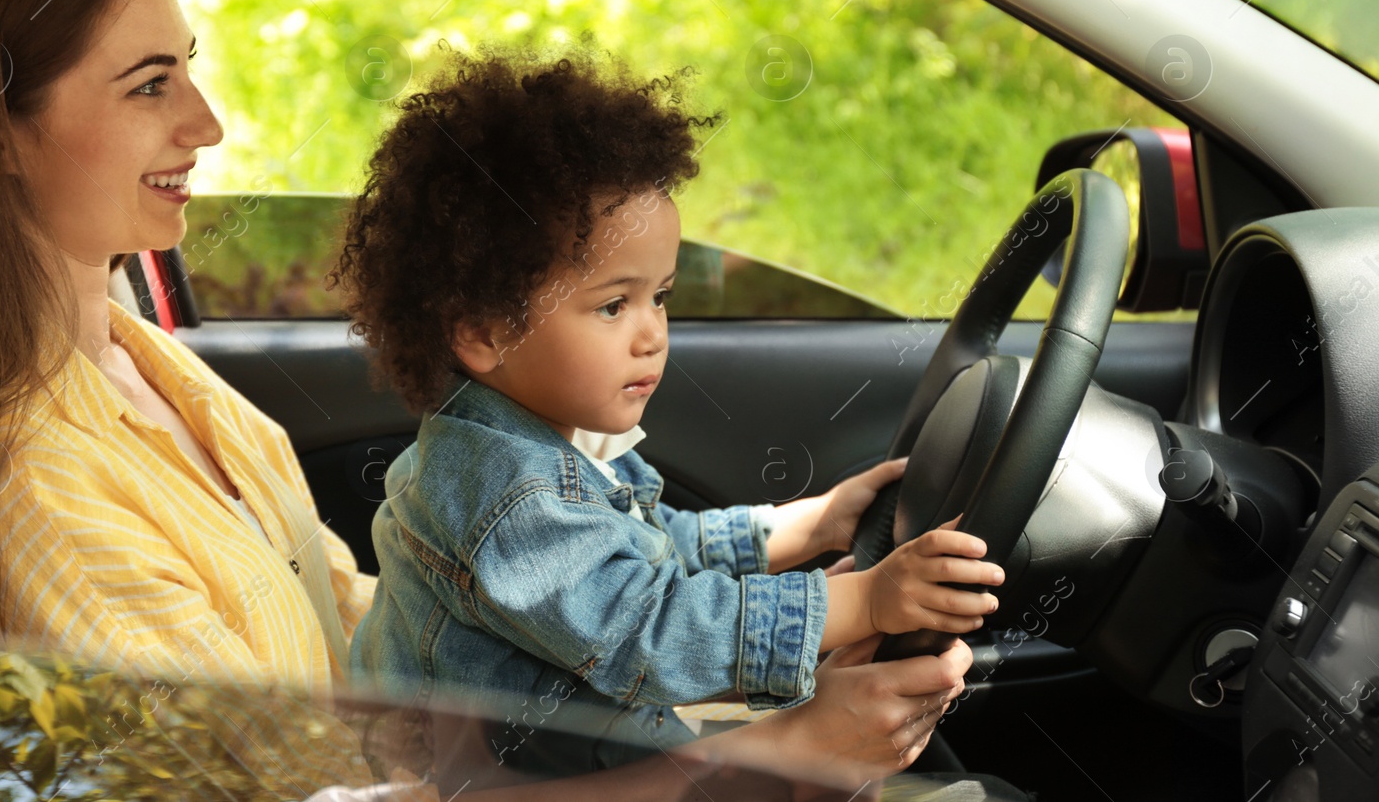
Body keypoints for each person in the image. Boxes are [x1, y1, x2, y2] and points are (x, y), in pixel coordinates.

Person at [0, 0, 1015, 800]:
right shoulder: (36, 490)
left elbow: (382, 625)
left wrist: (746, 614)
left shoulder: (136, 354)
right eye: (147, 85)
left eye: (194, 73)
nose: (208, 123)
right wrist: (774, 752)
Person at [333, 51, 1004, 778]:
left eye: (662, 295)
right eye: (614, 304)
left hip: (585, 733)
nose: (652, 331)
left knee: (849, 705)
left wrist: (812, 523)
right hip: (494, 776)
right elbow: (651, 629)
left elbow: (656, 547)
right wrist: (867, 598)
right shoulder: (505, 495)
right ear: (485, 331)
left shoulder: (563, 436)